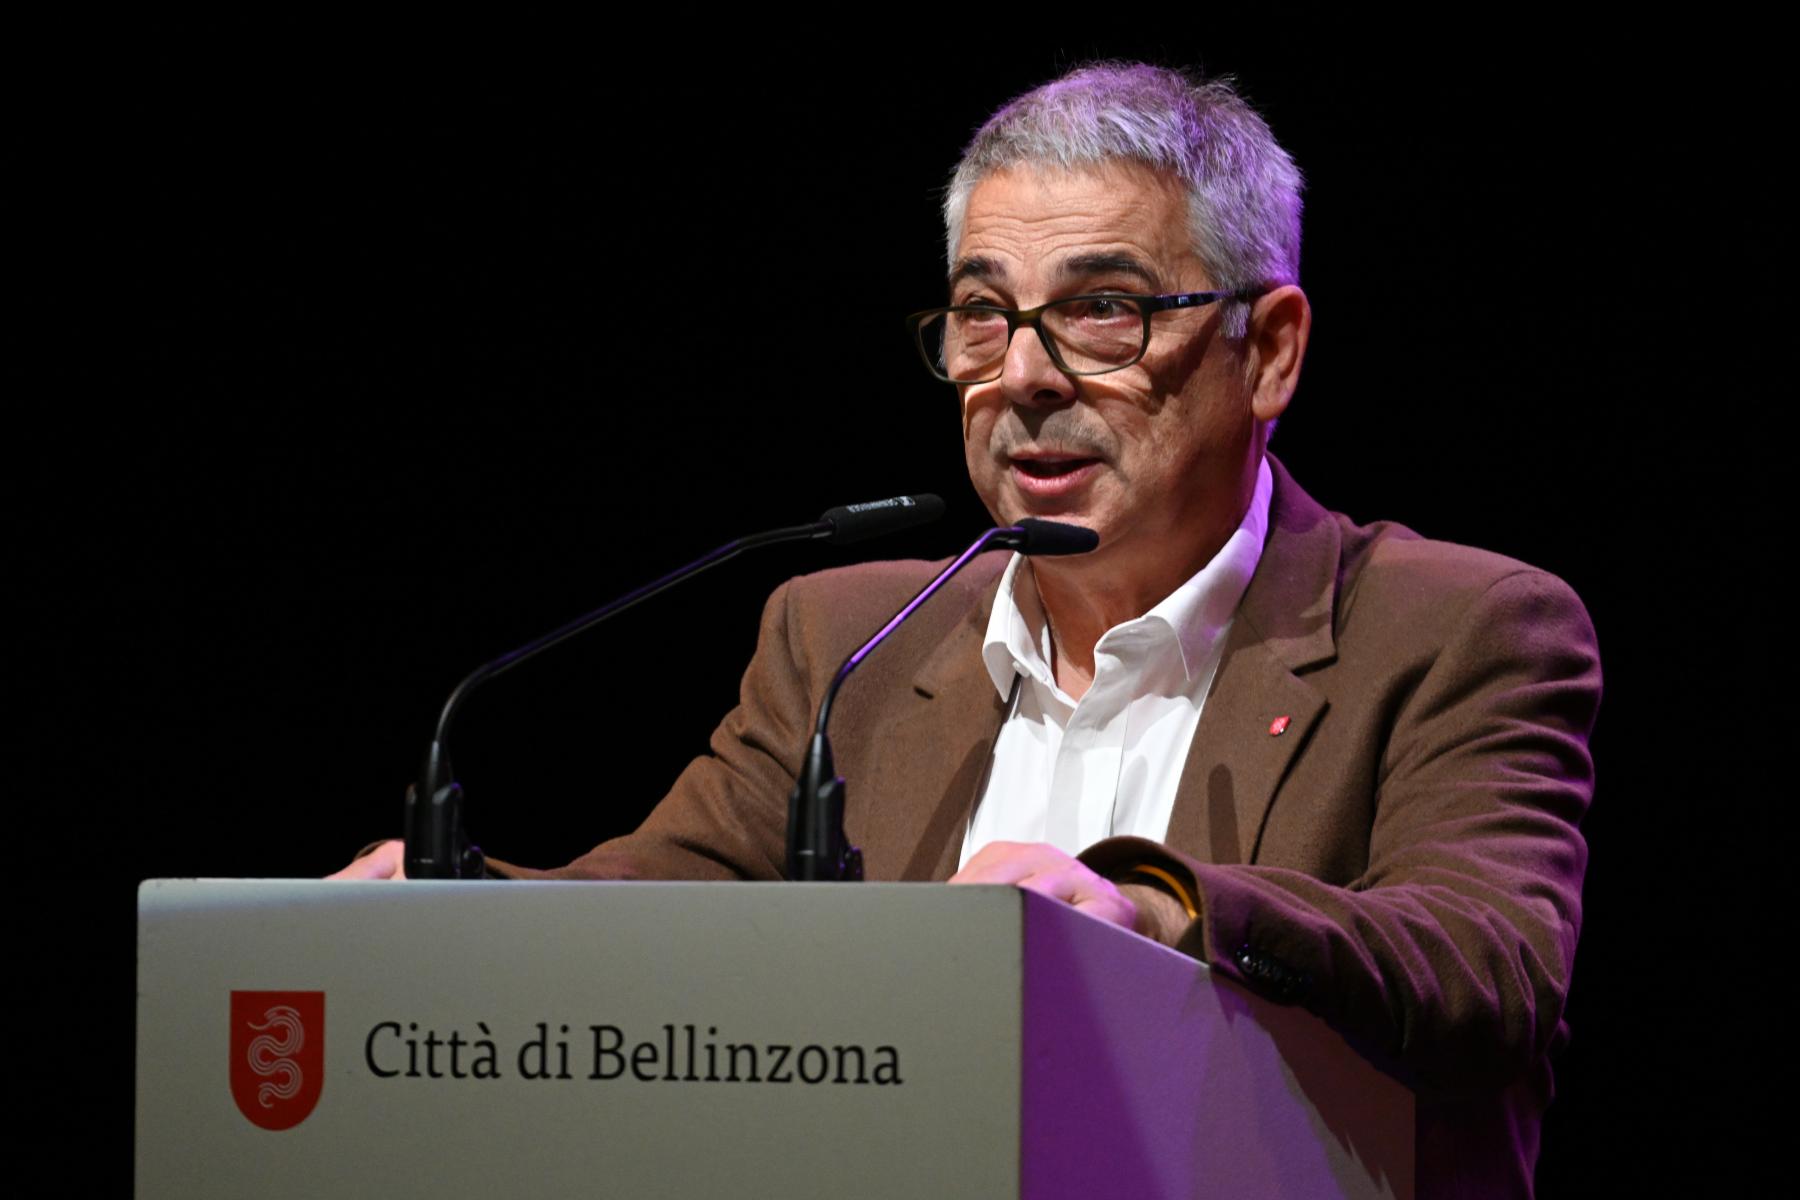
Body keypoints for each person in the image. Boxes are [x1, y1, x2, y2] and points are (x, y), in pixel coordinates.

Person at [337, 63, 1600, 1197]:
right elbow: (672, 904)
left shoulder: (1454, 629)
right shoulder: (848, 639)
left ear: (1266, 350)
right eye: (984, 314)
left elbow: (1482, 965)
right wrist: (458, 908)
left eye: (1103, 309)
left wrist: (1155, 909)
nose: (1024, 375)